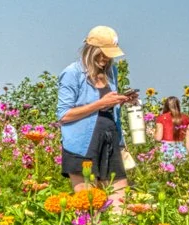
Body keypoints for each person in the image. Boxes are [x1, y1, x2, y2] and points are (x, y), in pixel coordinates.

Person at [56, 26, 134, 209]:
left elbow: (105, 106)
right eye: (102, 53)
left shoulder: (111, 72)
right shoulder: (72, 73)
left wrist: (120, 101)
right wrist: (100, 103)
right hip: (82, 146)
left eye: (109, 54)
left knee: (120, 201)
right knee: (88, 205)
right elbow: (64, 115)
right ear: (91, 50)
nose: (106, 58)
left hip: (110, 140)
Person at [153, 95, 189, 163]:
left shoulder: (161, 118)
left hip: (166, 148)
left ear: (166, 105)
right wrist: (187, 153)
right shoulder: (186, 118)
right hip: (181, 147)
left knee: (167, 171)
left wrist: (152, 133)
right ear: (178, 105)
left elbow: (158, 138)